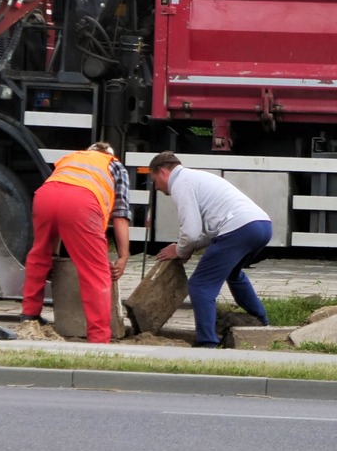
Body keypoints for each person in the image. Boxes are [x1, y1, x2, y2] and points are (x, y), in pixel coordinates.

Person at [149, 152, 274, 347]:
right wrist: (189, 248)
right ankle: (262, 324)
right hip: (262, 225)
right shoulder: (196, 178)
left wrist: (181, 250)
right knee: (233, 274)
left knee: (200, 285)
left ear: (163, 172)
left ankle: (207, 343)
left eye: (154, 180)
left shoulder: (181, 183)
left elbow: (190, 232)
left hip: (239, 228)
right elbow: (211, 232)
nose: (156, 186)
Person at [21, 142, 131, 344]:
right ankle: (99, 337)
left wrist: (53, 253)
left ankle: (30, 316)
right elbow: (120, 215)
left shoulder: (72, 158)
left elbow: (59, 201)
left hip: (45, 196)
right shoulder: (114, 165)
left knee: (39, 255)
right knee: (95, 271)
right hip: (82, 202)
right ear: (109, 154)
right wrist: (123, 256)